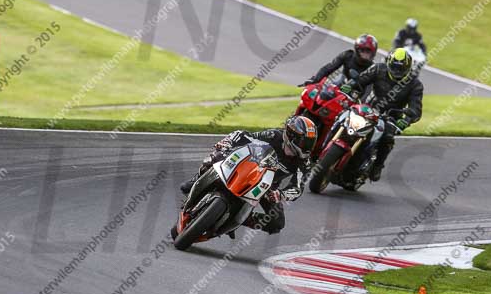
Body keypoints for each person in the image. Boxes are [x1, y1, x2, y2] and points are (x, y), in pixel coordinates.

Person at [179, 116, 317, 234]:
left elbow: (298, 188)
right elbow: (244, 135)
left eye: (310, 142)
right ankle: (196, 180)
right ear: (292, 136)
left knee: (277, 223)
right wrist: (227, 143)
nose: (307, 146)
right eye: (304, 141)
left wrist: (280, 194)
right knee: (216, 156)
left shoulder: (304, 163)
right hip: (248, 165)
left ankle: (242, 219)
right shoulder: (274, 136)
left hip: (267, 186)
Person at [341, 48, 423, 182]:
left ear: (408, 69)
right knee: (342, 115)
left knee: (388, 137)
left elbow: (416, 109)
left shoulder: (415, 85)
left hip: (391, 117)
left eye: (401, 69)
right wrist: (350, 85)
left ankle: (377, 165)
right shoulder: (378, 69)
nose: (397, 72)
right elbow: (361, 79)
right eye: (394, 67)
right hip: (367, 108)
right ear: (389, 63)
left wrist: (406, 120)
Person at [300, 34, 378, 86]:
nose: (365, 54)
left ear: (373, 53)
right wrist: (315, 80)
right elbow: (329, 67)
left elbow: (369, 90)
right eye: (362, 50)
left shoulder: (373, 69)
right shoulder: (347, 55)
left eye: (368, 51)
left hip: (356, 97)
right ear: (357, 50)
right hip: (340, 84)